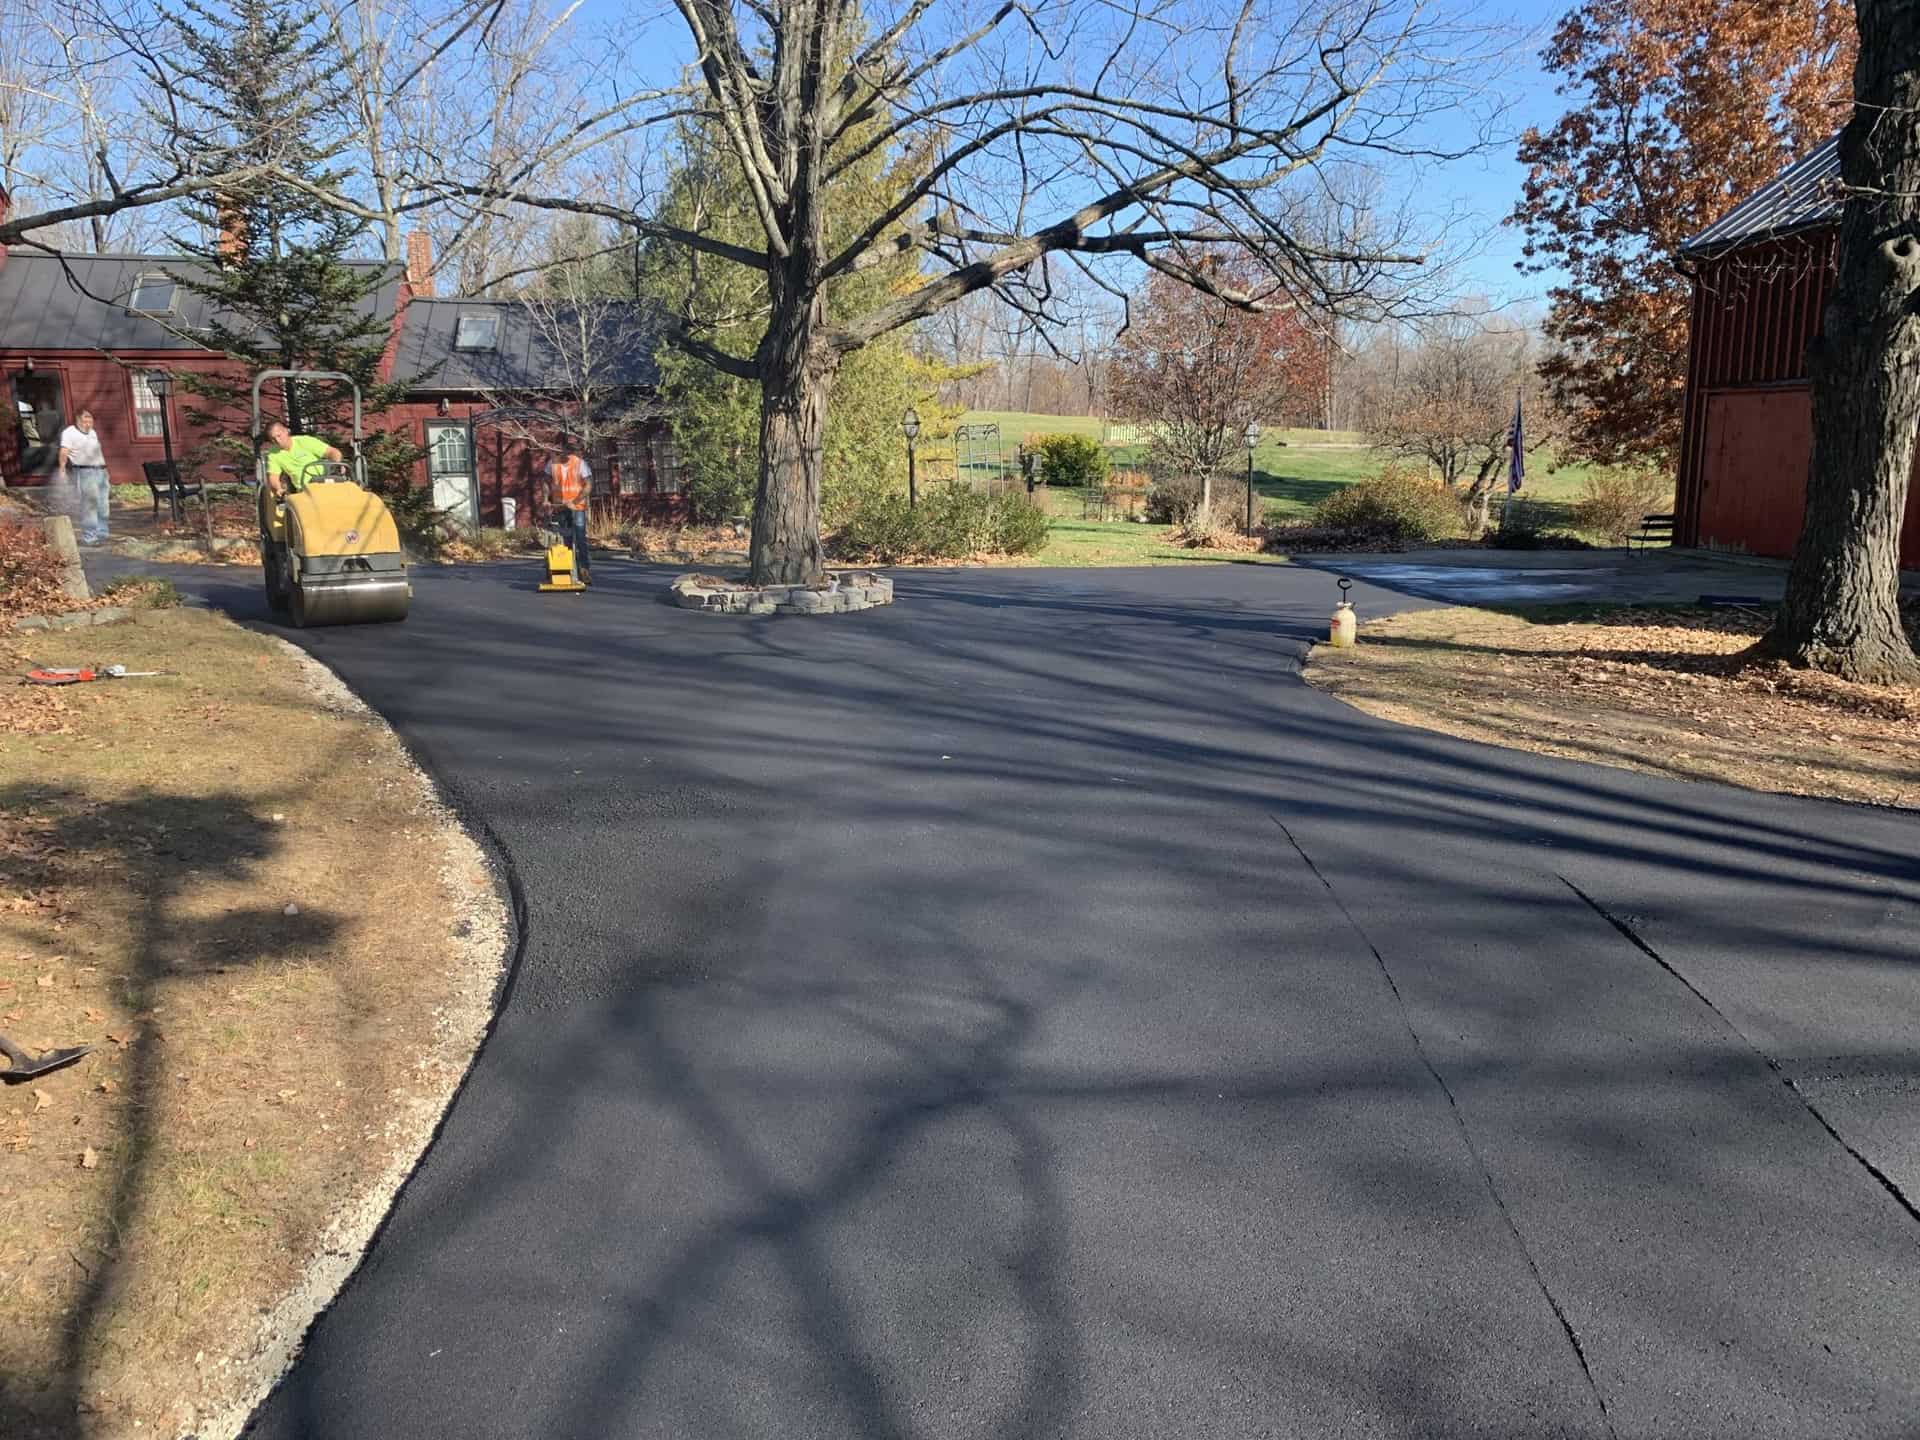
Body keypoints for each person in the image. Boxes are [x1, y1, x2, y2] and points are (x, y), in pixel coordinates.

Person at [57, 408, 110, 546]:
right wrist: (62, 469)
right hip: (85, 472)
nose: (88, 424)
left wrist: (105, 470)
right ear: (78, 421)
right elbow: (64, 451)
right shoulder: (69, 433)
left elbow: (97, 452)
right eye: (85, 421)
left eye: (90, 421)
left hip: (101, 471)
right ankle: (90, 537)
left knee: (103, 504)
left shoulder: (93, 433)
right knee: (90, 505)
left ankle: (102, 534)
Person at [542, 447, 593, 584]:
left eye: (563, 452)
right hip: (560, 507)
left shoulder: (579, 463)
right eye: (557, 452)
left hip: (577, 506)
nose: (560, 455)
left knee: (580, 537)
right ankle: (567, 569)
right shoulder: (551, 464)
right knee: (565, 540)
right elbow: (546, 482)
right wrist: (546, 499)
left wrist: (575, 501)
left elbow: (588, 485)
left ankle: (584, 570)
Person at [263, 421, 342, 495]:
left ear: (286, 431)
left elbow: (332, 452)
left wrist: (337, 464)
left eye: (279, 436)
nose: (277, 440)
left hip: (323, 482)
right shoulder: (273, 454)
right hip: (303, 491)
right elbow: (273, 476)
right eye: (273, 439)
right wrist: (278, 487)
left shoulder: (304, 441)